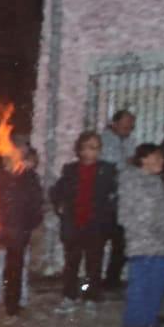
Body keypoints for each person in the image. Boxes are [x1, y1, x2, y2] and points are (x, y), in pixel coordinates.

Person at [50, 131, 119, 313]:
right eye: (89, 147)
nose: (93, 152)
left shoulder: (107, 170)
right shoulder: (71, 170)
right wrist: (60, 207)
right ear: (80, 150)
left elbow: (114, 196)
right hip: (74, 224)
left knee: (93, 265)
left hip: (95, 225)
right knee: (72, 263)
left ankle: (90, 296)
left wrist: (108, 216)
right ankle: (69, 296)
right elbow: (57, 191)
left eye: (96, 148)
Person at [117, 144, 164, 327]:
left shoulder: (155, 181)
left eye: (162, 158)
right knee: (140, 284)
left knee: (157, 283)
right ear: (143, 159)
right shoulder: (131, 179)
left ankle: (149, 320)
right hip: (142, 242)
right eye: (157, 157)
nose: (162, 161)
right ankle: (132, 324)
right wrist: (141, 231)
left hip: (160, 242)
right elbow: (125, 214)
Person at [0, 149, 45, 317]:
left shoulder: (30, 179)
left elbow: (36, 206)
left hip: (17, 229)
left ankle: (12, 307)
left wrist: (28, 227)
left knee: (14, 270)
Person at [99, 110, 137, 290]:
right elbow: (113, 166)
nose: (129, 128)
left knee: (120, 242)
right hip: (106, 199)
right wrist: (126, 164)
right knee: (99, 241)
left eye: (131, 125)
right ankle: (94, 280)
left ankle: (111, 281)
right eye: (125, 125)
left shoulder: (129, 141)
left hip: (123, 199)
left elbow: (132, 165)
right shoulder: (104, 140)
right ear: (114, 123)